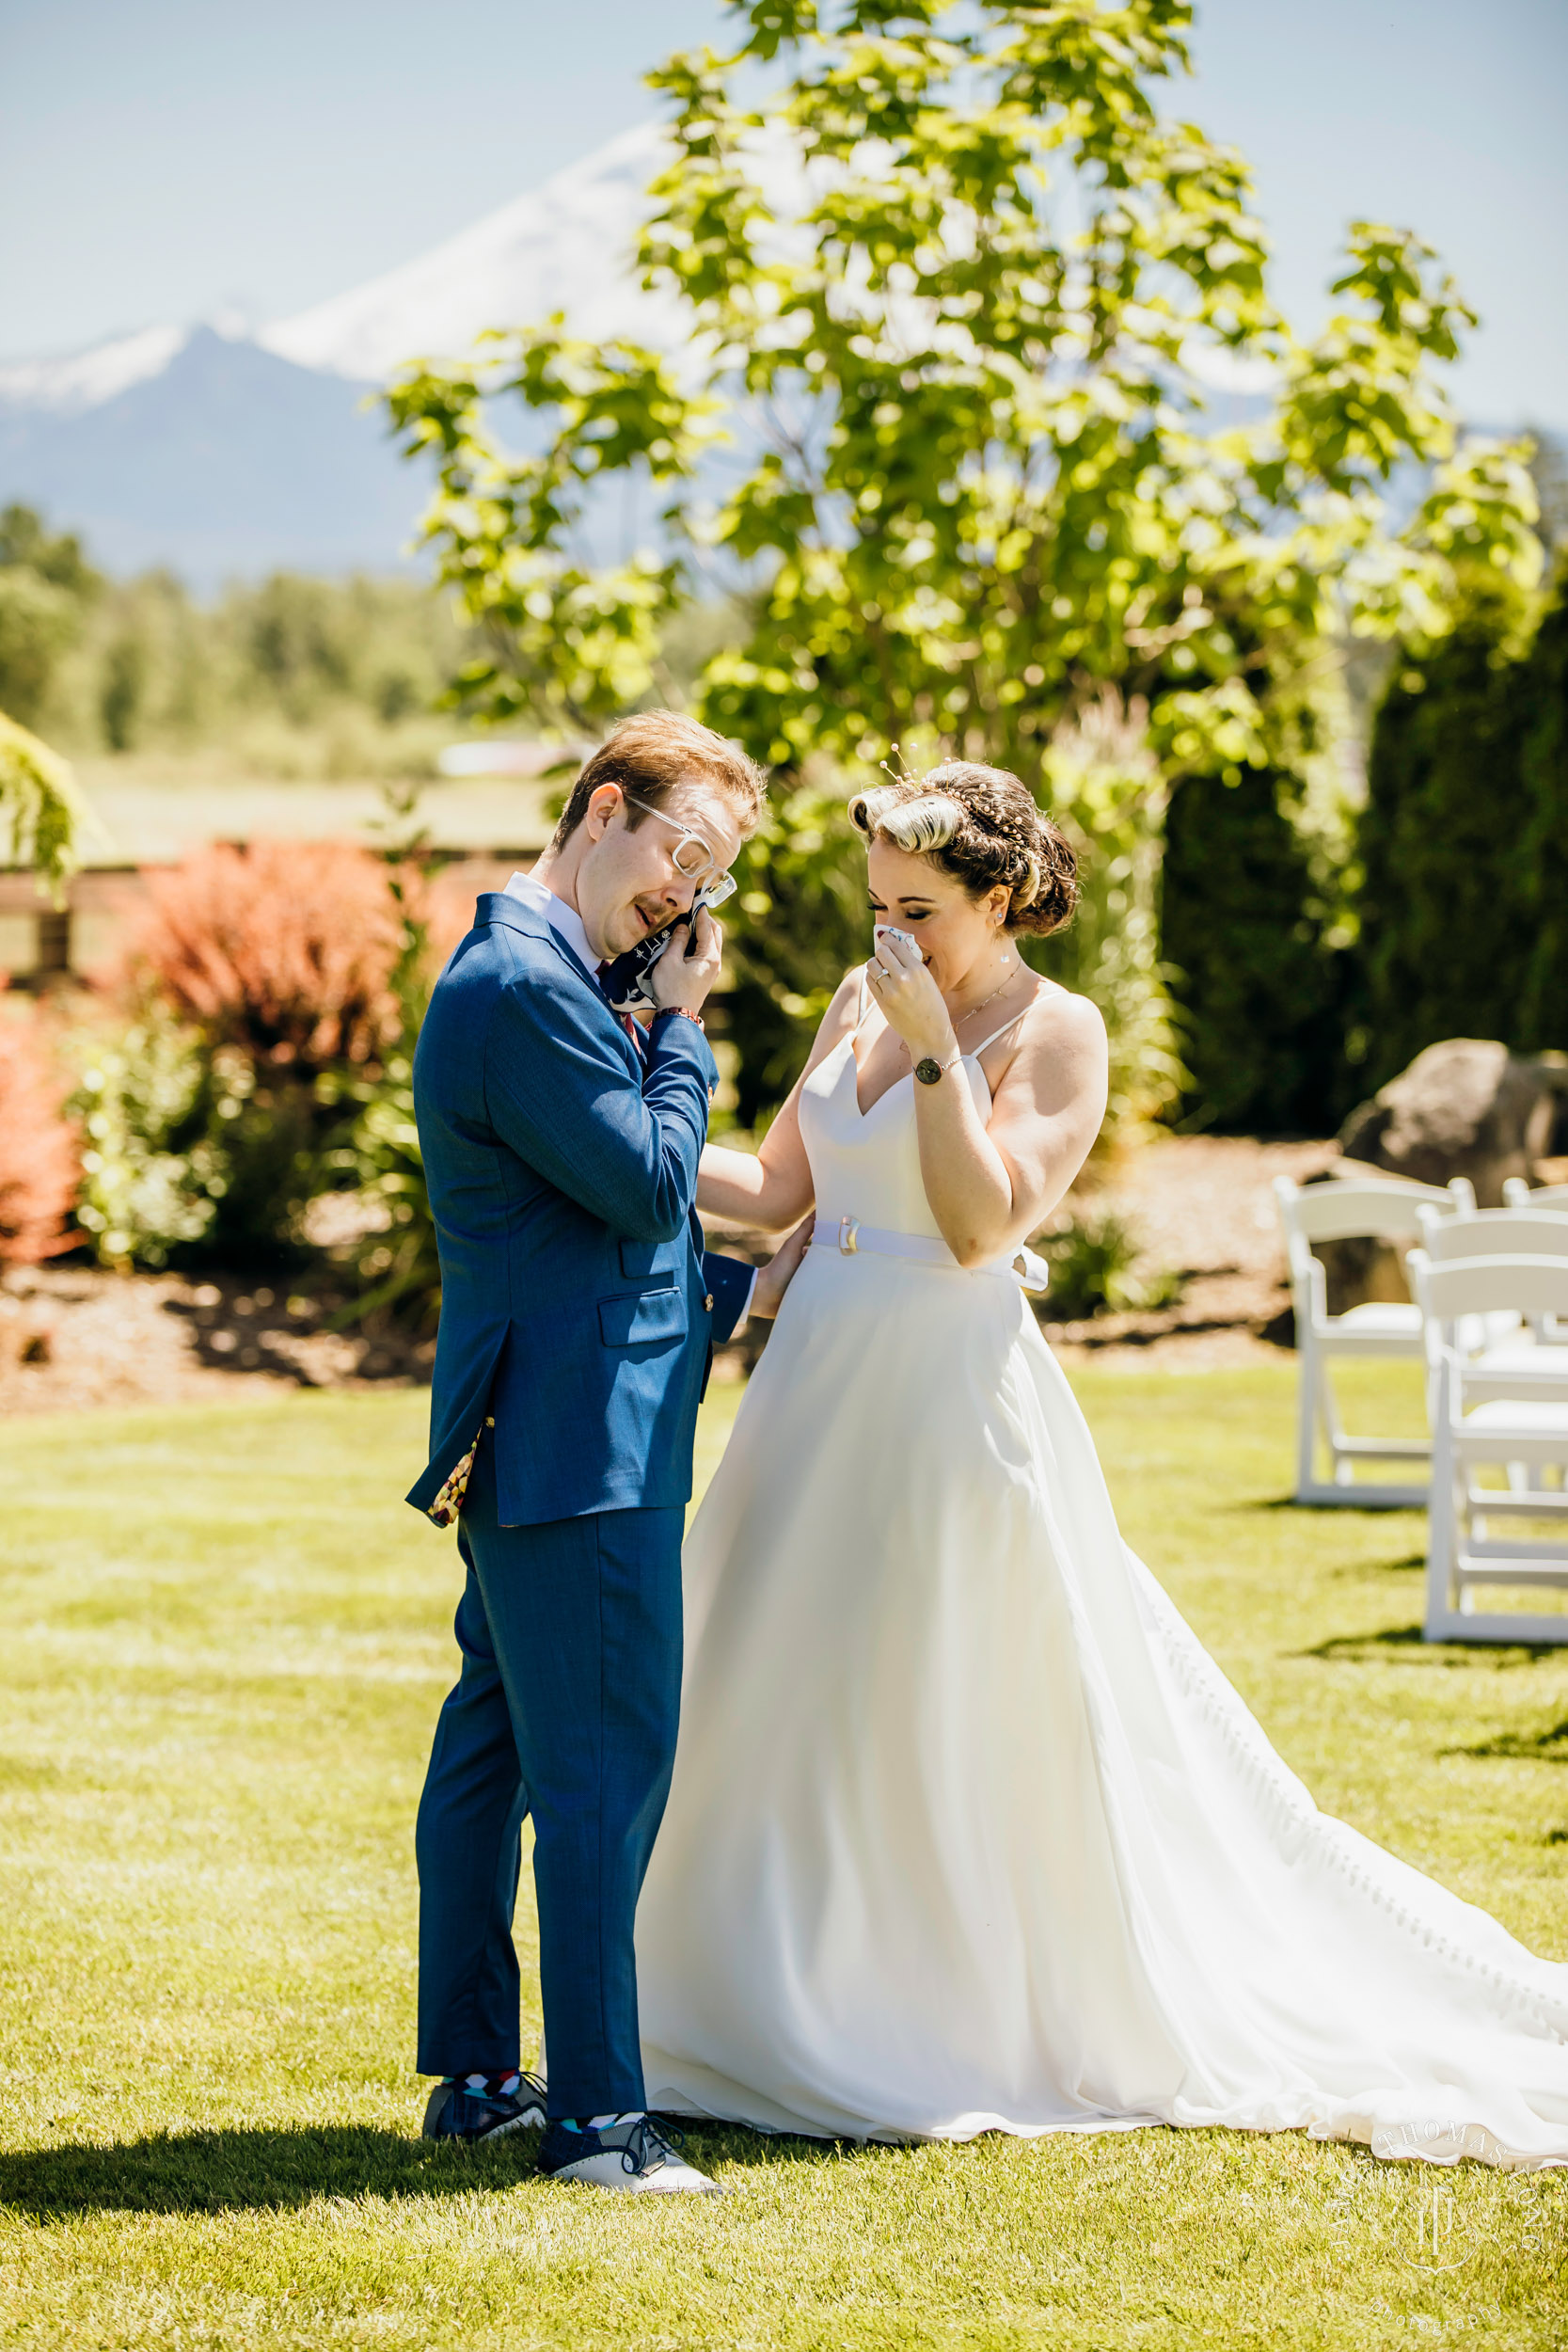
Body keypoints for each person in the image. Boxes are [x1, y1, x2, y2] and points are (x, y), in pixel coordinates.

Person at [634, 760, 1568, 2171]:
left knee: (920, 1690)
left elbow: (977, 1226)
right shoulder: (854, 1000)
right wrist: (607, 1111)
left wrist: (939, 1043)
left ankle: (911, 2013)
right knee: (764, 1669)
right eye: (878, 905)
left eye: (923, 909)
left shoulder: (1057, 1032)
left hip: (944, 1397)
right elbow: (774, 1196)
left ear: (1000, 898)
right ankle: (732, 2000)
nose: (891, 936)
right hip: (815, 1382)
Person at [406, 713, 808, 2195]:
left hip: (552, 1422)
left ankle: (478, 2081)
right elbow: (646, 1187)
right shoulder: (522, 986)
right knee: (605, 1767)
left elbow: (590, 1214)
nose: (688, 901)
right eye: (680, 858)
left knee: (501, 1748)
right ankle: (597, 2123)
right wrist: (689, 1032)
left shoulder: (553, 975)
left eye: (712, 879)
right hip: (583, 1442)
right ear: (600, 811)